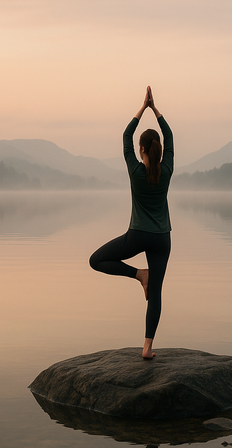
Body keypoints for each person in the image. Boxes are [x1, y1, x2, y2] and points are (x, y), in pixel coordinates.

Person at [89, 86, 174, 359]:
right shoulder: (167, 170)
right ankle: (147, 347)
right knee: (157, 292)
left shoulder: (136, 170)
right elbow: (170, 137)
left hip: (138, 235)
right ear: (160, 151)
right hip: (162, 238)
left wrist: (143, 107)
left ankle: (139, 274)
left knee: (96, 260)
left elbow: (126, 135)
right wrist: (156, 110)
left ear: (141, 150)